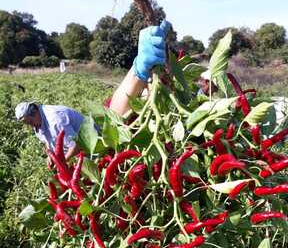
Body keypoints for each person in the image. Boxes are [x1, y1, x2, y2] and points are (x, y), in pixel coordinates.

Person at [15, 19, 171, 159]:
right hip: (102, 139)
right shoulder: (38, 124)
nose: (30, 125)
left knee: (118, 120)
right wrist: (53, 156)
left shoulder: (55, 119)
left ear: (34, 112)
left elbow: (82, 142)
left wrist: (140, 71)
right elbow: (49, 142)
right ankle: (143, 73)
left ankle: (141, 70)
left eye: (29, 121)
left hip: (100, 137)